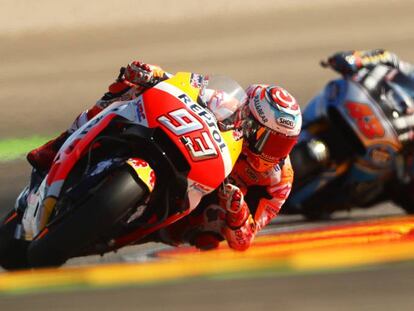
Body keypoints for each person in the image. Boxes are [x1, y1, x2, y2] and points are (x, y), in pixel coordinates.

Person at [27, 61, 302, 251]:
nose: (273, 151)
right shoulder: (226, 102)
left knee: (210, 232)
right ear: (248, 120)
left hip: (205, 194)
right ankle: (60, 143)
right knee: (129, 86)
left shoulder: (280, 179)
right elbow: (185, 84)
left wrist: (237, 210)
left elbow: (244, 240)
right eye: (269, 139)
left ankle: (139, 226)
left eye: (282, 143)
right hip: (186, 144)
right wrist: (154, 73)